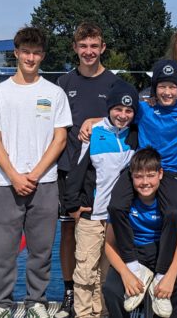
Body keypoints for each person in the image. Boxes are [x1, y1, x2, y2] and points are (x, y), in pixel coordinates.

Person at [0, 27, 72, 318]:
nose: (31, 58)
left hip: (43, 182)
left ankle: (36, 302)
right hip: (5, 182)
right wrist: (15, 176)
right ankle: (1, 303)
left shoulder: (53, 93)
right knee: (4, 250)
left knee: (41, 250)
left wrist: (34, 173)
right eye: (26, 52)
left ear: (42, 56)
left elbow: (60, 139)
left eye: (36, 53)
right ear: (16, 53)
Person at [108, 59, 177, 314]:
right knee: (116, 206)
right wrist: (91, 121)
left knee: (174, 211)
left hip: (170, 174)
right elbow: (119, 113)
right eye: (162, 87)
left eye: (172, 87)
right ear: (154, 89)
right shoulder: (144, 109)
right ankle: (132, 263)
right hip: (142, 169)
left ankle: (162, 273)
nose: (167, 92)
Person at [56, 22, 119, 318]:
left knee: (104, 233)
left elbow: (127, 118)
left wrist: (97, 119)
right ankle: (71, 291)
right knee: (69, 231)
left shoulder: (113, 83)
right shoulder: (63, 83)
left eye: (94, 46)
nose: (89, 52)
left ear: (103, 48)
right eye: (83, 46)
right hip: (70, 169)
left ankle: (103, 293)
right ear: (75, 48)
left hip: (104, 174)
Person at [63, 80, 139, 318]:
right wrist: (74, 206)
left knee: (105, 274)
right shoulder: (94, 133)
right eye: (118, 109)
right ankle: (84, 313)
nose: (123, 115)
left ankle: (103, 312)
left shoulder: (135, 135)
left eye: (128, 111)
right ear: (109, 108)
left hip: (117, 218)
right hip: (92, 215)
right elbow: (76, 171)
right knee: (86, 270)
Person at [103, 147, 177, 318]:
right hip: (133, 252)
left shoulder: (169, 204)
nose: (145, 182)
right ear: (131, 176)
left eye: (151, 175)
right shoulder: (122, 203)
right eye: (138, 177)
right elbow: (109, 244)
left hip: (162, 252)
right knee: (111, 289)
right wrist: (126, 273)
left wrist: (170, 276)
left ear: (160, 174)